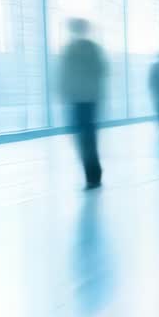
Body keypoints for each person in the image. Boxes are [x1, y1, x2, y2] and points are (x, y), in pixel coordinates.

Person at [58, 19, 108, 189]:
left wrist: (65, 93)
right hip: (91, 98)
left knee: (82, 138)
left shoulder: (69, 49)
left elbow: (64, 75)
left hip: (77, 99)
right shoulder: (93, 48)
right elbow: (102, 71)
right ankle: (94, 174)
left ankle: (91, 175)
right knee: (90, 137)